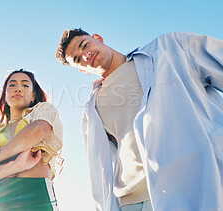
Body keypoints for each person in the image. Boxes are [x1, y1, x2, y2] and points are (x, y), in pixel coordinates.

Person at [55, 29, 223, 211]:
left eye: (84, 45)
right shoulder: (92, 108)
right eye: (79, 59)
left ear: (98, 38)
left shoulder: (168, 49)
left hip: (193, 183)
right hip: (133, 200)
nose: (86, 55)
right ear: (81, 69)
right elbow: (102, 165)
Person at [0, 69, 63, 210]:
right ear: (5, 96)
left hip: (36, 199)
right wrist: (14, 166)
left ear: (33, 96)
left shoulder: (44, 111)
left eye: (25, 85)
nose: (18, 88)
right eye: (12, 85)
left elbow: (37, 130)